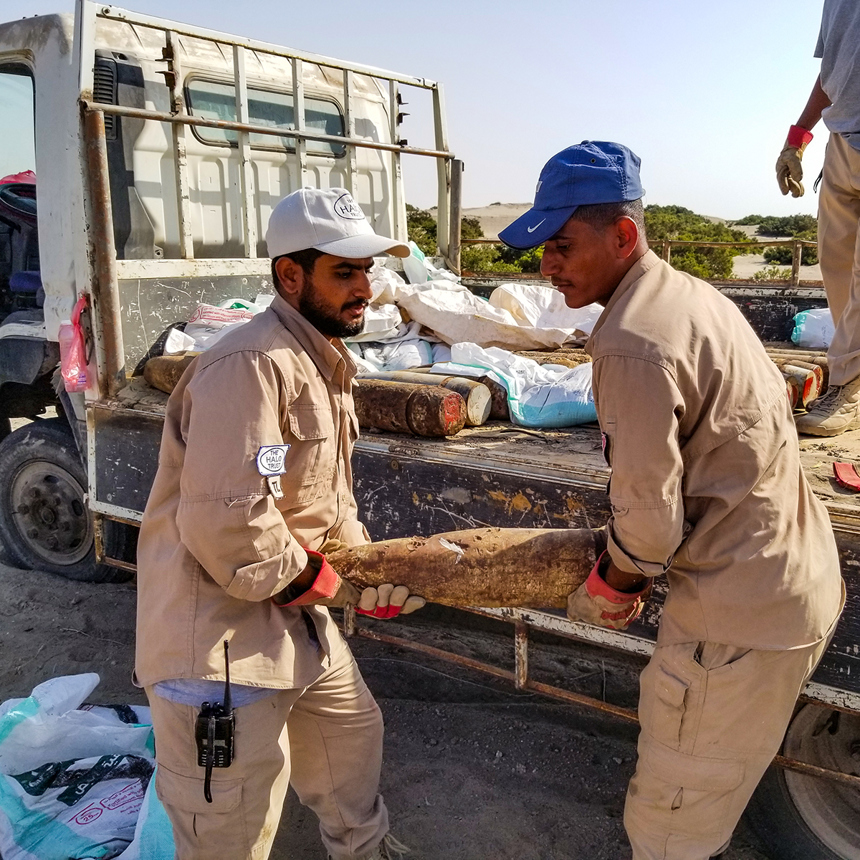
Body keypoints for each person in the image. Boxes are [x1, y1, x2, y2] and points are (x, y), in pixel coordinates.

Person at [500, 142, 845, 860]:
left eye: (561, 245)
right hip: (791, 580)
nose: (547, 266)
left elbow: (650, 529)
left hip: (736, 619)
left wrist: (608, 589)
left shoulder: (629, 339)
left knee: (671, 828)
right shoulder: (690, 296)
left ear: (622, 235)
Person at [135, 187, 423, 860]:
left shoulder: (320, 360)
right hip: (220, 648)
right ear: (290, 276)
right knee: (230, 829)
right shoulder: (251, 363)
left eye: (367, 271)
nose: (365, 288)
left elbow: (325, 501)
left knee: (351, 744)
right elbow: (230, 524)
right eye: (344, 272)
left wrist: (367, 572)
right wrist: (330, 584)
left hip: (296, 623)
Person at [776, 0, 860, 436]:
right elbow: (834, 72)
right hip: (843, 143)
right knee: (836, 269)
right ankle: (852, 370)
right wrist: (798, 138)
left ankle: (849, 385)